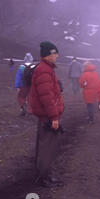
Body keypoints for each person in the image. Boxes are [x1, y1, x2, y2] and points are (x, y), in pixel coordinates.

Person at [30, 41, 64, 187]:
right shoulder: (44, 70)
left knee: (46, 146)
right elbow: (47, 98)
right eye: (55, 53)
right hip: (47, 117)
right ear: (48, 55)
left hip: (46, 116)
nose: (57, 55)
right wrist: (54, 117)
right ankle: (43, 177)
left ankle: (45, 174)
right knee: (46, 148)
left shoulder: (46, 69)